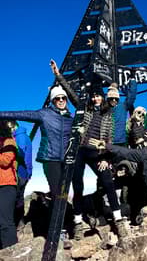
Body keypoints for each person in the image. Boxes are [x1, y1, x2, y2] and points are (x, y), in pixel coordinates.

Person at [50, 60, 127, 240]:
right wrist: (57, 75)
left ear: (103, 97)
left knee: (108, 181)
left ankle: (118, 219)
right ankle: (77, 222)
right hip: (80, 151)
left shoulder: (108, 114)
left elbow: (109, 139)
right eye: (93, 96)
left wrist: (106, 159)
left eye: (98, 96)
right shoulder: (84, 107)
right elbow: (70, 92)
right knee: (78, 186)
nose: (95, 98)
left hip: (97, 153)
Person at [0, 85, 73, 204]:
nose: (60, 100)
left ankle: (62, 220)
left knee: (64, 193)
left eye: (63, 98)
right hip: (50, 159)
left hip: (65, 160)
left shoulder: (70, 118)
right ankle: (54, 222)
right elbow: (18, 114)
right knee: (57, 193)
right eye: (57, 98)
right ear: (53, 101)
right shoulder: (44, 114)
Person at [8, 121, 32, 230]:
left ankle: (15, 224)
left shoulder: (20, 136)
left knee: (13, 199)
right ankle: (20, 223)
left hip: (20, 172)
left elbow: (21, 152)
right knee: (19, 198)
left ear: (13, 125)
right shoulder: (21, 135)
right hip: (24, 172)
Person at [0, 120, 18, 249]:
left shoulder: (9, 141)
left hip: (6, 185)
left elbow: (6, 161)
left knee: (6, 221)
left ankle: (11, 251)